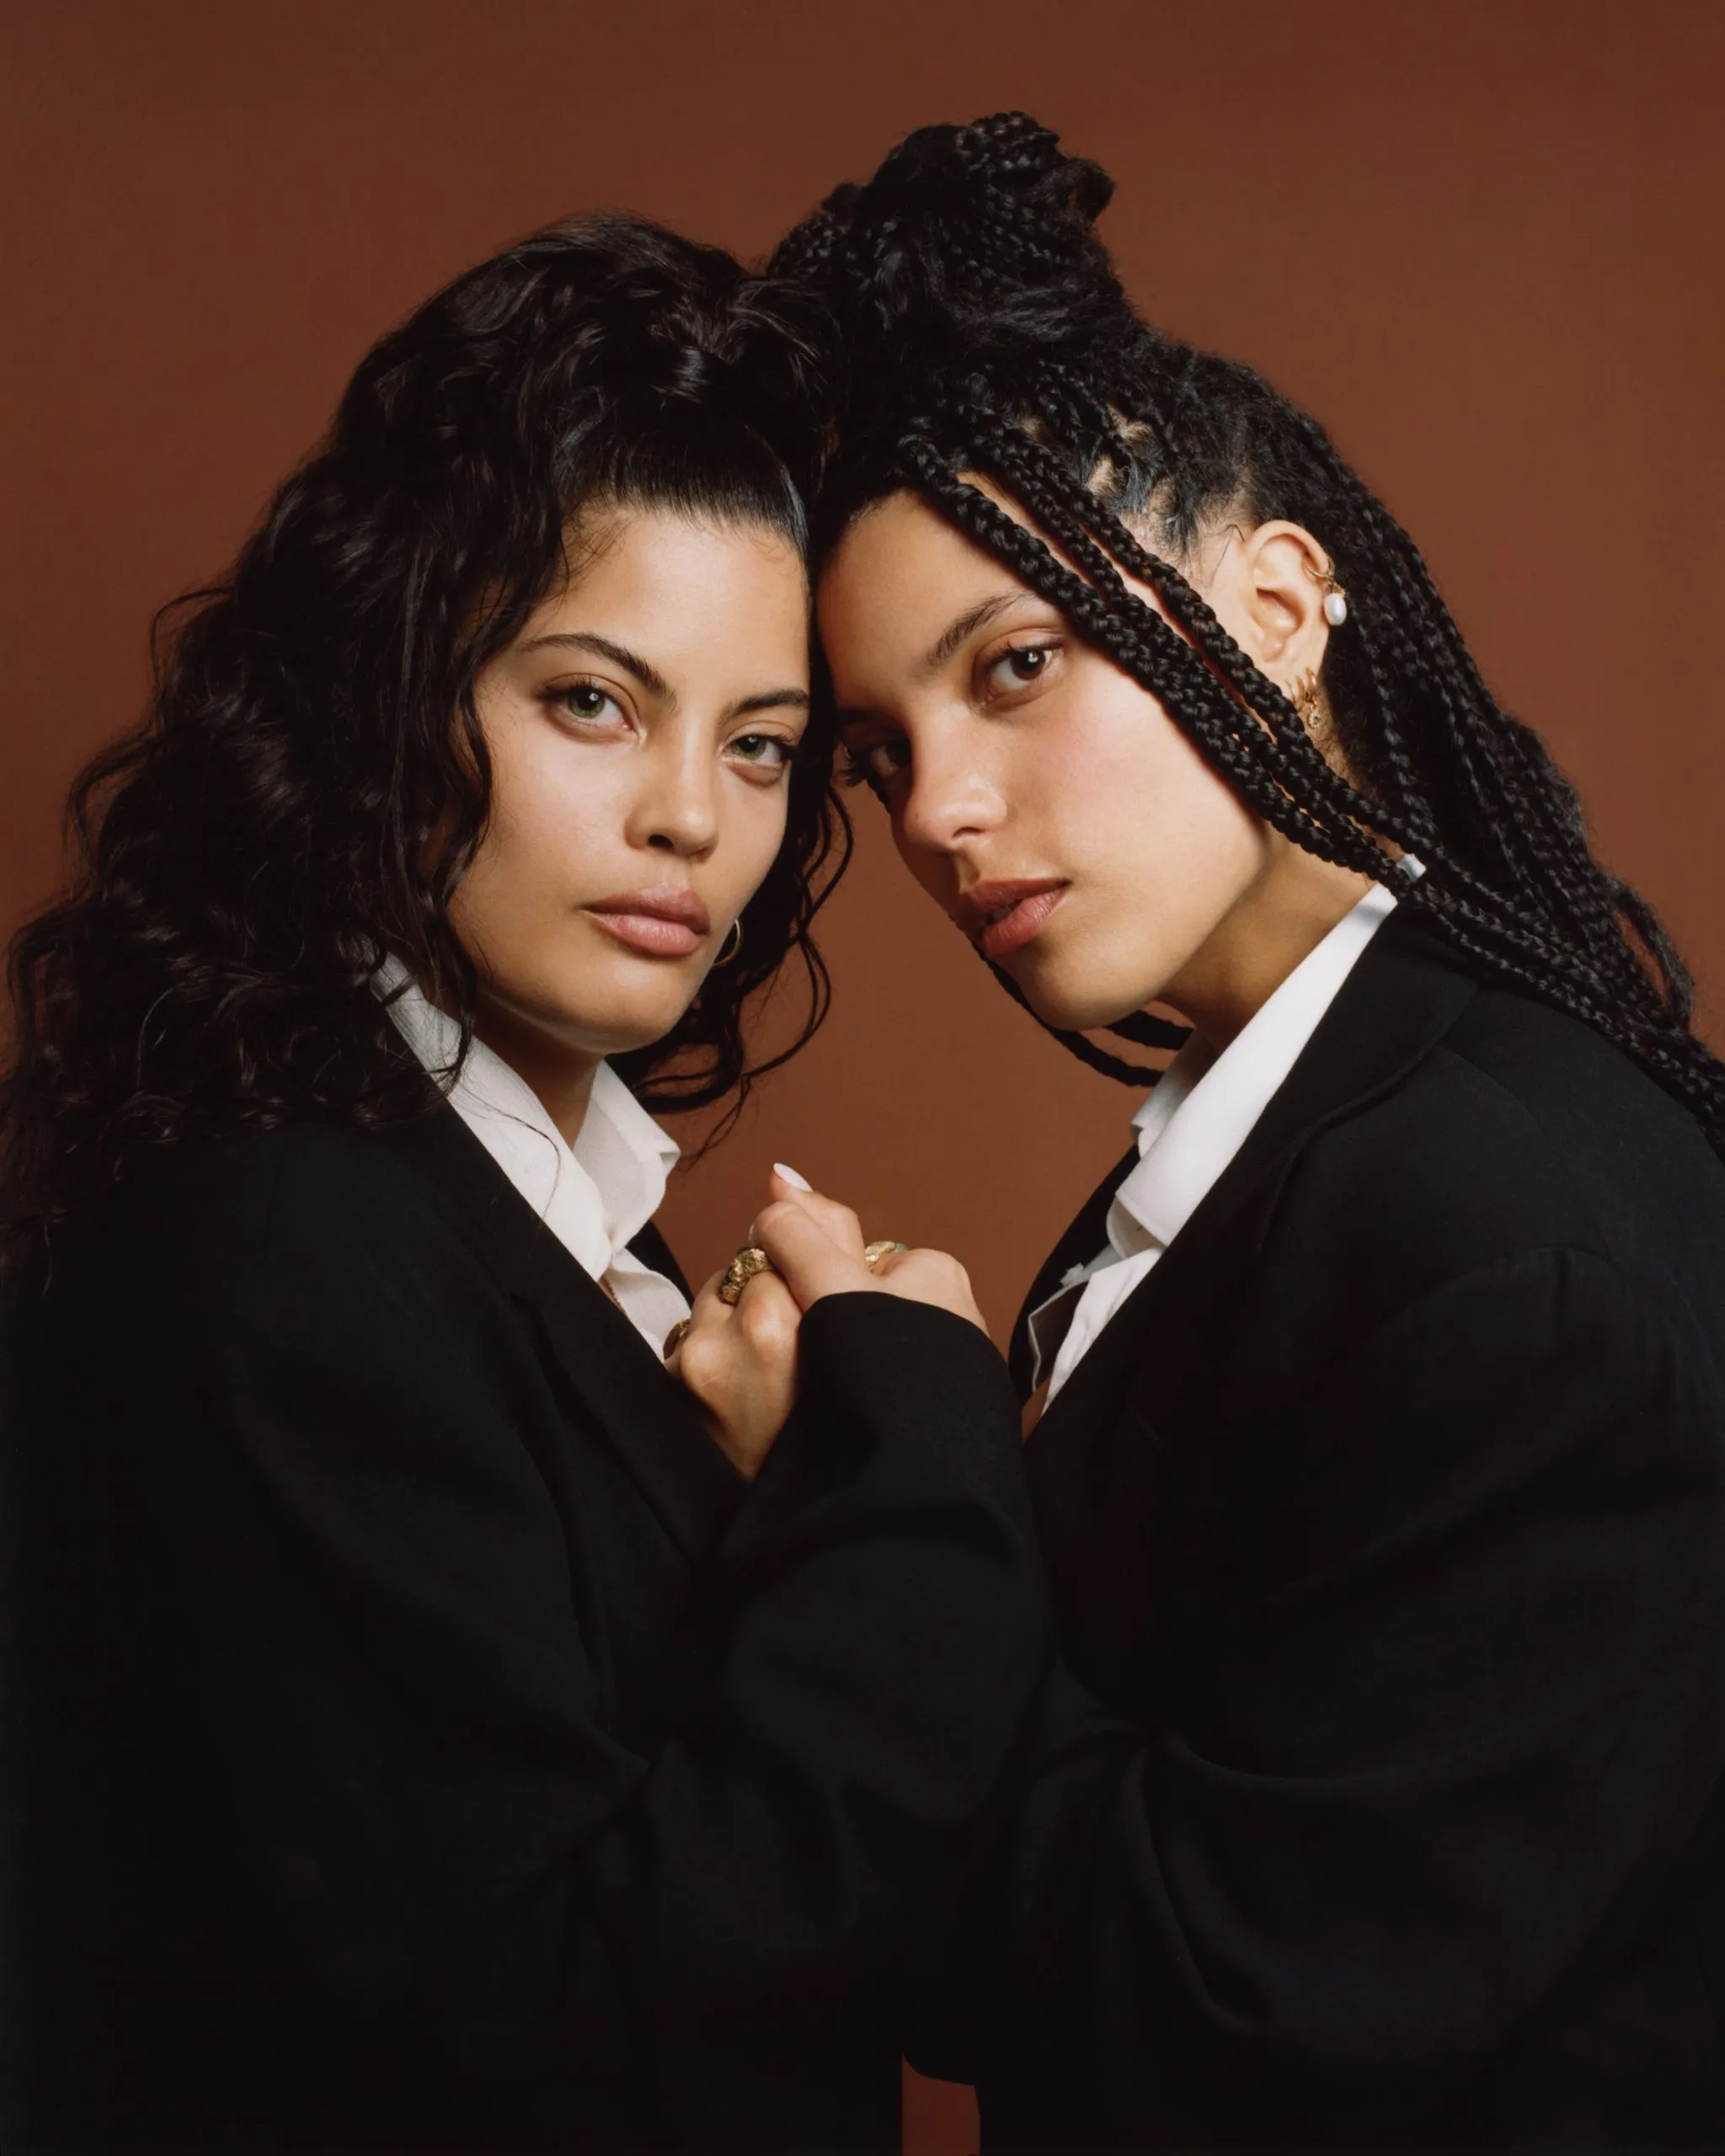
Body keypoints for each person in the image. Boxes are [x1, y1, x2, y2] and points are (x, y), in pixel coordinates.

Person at [699, 114, 1725, 2148]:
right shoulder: (1305, 1144)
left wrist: (866, 1483)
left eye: (1015, 667)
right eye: (881, 751)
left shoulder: (1495, 1239)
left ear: (1274, 603)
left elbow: (1228, 1996)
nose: (939, 813)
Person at [0, 213, 1049, 2150]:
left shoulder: (525, 1209)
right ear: (396, 692)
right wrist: (912, 1444)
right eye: (592, 700)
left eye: (760, 745)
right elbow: (573, 2022)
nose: (689, 816)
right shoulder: (278, 1239)